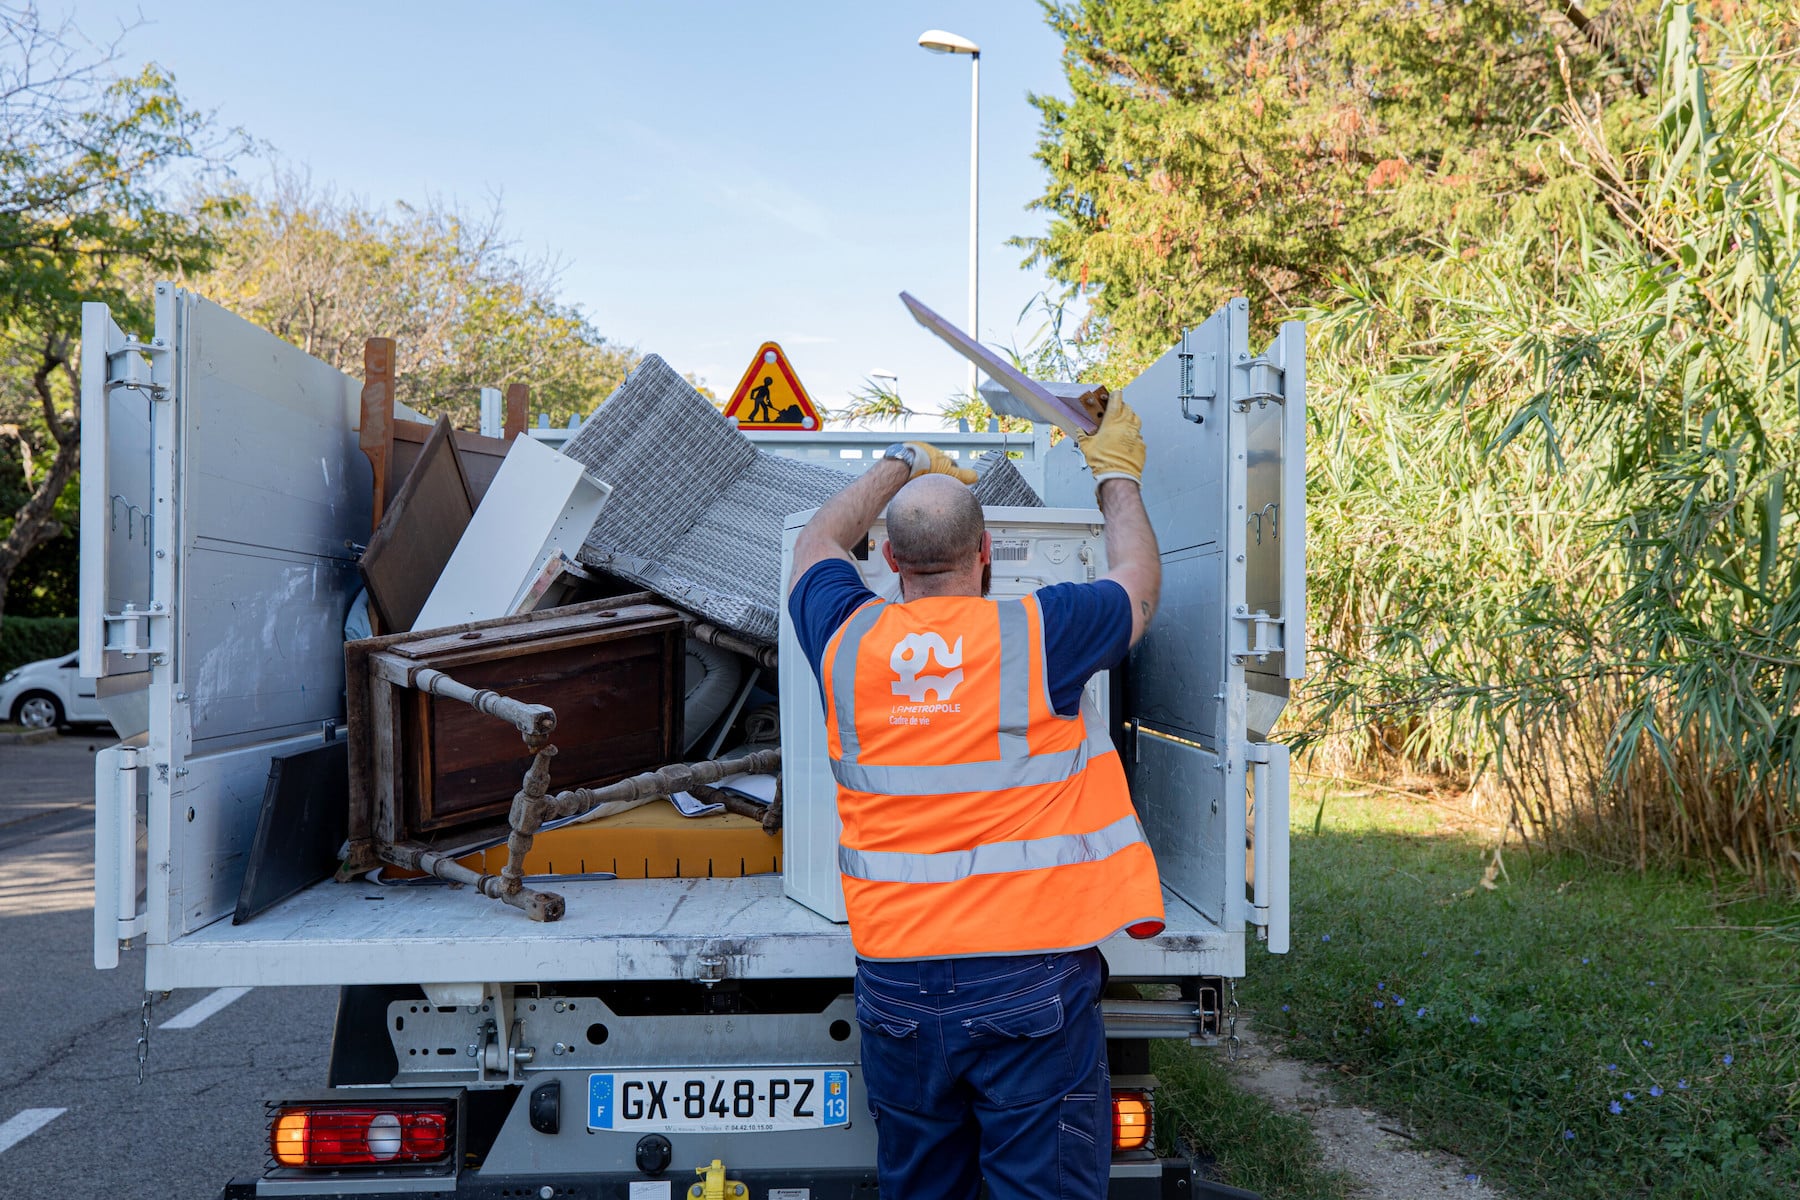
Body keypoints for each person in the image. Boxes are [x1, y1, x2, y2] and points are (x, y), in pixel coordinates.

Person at [785, 401, 1166, 1199]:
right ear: (987, 553)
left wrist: (903, 457)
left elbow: (816, 545)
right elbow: (1137, 588)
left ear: (889, 560)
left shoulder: (846, 641)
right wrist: (1116, 476)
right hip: (1028, 980)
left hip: (895, 984)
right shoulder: (1041, 633)